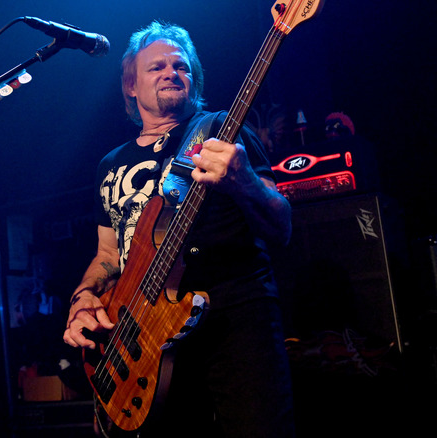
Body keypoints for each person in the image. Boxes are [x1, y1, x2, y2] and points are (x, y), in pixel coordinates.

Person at [62, 21, 295, 437]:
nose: (171, 72)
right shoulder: (110, 164)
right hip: (145, 335)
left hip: (233, 314)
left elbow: (282, 227)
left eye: (181, 66)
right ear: (131, 86)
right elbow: (107, 256)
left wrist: (244, 181)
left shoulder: (223, 130)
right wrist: (82, 300)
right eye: (156, 68)